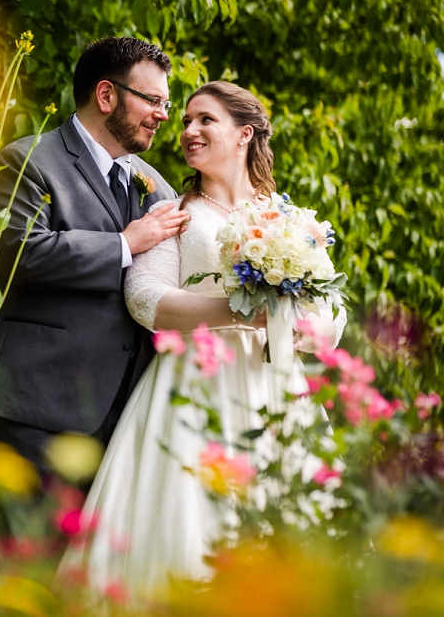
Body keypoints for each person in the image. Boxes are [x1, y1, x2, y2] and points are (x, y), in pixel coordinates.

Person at [58, 81, 346, 599]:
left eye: (204, 120)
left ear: (245, 134)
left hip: (274, 389)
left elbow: (331, 318)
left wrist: (283, 324)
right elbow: (143, 299)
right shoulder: (175, 213)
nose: (187, 131)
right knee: (190, 530)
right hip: (193, 389)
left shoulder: (292, 220)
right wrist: (239, 313)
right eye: (185, 120)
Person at [0, 37, 189, 472]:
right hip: (27, 404)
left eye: (166, 104)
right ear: (106, 94)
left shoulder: (158, 186)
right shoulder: (28, 160)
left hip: (117, 417)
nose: (163, 115)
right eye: (152, 100)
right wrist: (125, 244)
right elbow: (20, 251)